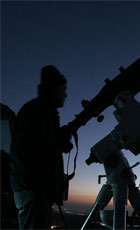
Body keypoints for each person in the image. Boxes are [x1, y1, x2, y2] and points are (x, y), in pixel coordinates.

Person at [10, 65, 72, 229]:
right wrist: (57, 142)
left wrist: (58, 140)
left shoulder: (44, 111)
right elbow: (32, 151)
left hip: (36, 188)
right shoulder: (38, 111)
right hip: (32, 189)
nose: (65, 94)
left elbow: (43, 144)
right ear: (53, 89)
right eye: (62, 89)